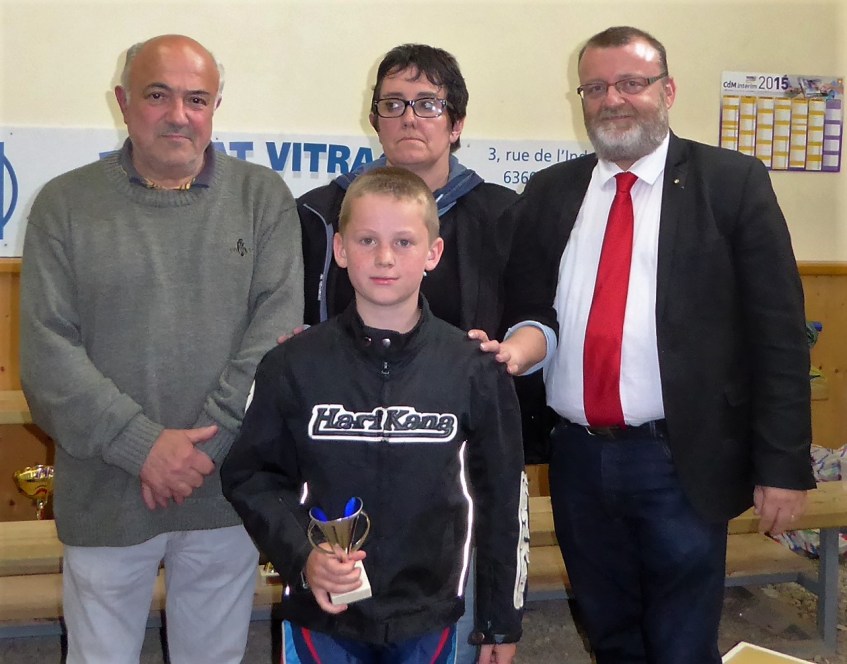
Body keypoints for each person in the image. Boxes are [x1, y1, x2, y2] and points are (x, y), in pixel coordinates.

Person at [496, 26, 816, 664]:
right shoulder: (551, 192)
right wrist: (518, 346)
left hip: (680, 457)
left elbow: (778, 335)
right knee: (610, 634)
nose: (612, 99)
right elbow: (530, 309)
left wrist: (782, 466)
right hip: (579, 458)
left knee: (680, 644)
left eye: (631, 83)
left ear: (667, 91)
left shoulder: (731, 183)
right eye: (595, 87)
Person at [19, 34, 303, 664]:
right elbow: (47, 354)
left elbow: (276, 337)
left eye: (196, 99)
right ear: (123, 102)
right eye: (158, 95)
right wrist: (142, 445)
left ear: (215, 107)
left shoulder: (263, 199)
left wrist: (205, 449)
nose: (179, 114)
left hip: (223, 489)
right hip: (105, 489)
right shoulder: (64, 205)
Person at [222, 167, 526, 664]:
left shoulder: (474, 369)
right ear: (340, 249)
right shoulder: (294, 364)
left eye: (404, 242)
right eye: (367, 240)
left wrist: (499, 620)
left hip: (429, 618)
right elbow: (252, 477)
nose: (385, 257)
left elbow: (502, 502)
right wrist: (304, 557)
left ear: (433, 253)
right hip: (324, 618)